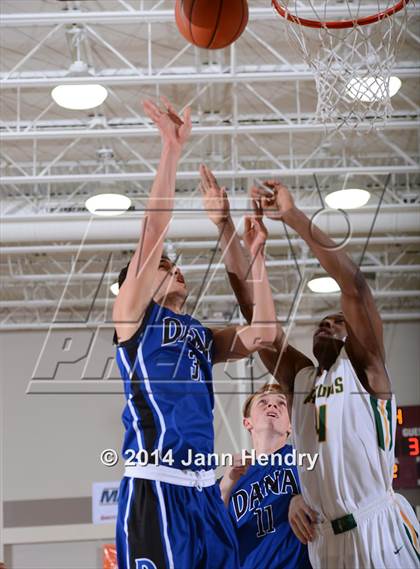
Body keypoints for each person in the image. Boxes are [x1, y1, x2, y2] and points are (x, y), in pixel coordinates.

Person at [200, 166, 420, 568]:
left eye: (339, 322)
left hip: (376, 525)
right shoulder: (300, 379)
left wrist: (295, 218)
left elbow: (354, 286)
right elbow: (256, 318)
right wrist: (227, 227)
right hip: (324, 542)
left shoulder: (367, 372)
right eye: (323, 321)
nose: (328, 323)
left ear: (356, 336)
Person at [112, 98, 277, 569]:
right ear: (134, 285)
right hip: (156, 484)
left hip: (205, 489)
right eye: (163, 266)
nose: (174, 267)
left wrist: (254, 252)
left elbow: (263, 333)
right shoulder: (133, 319)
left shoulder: (198, 335)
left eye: (173, 263)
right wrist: (170, 149)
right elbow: (153, 229)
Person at [219, 382, 313, 569]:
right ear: (247, 422)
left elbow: (339, 494)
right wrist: (226, 485)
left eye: (281, 403)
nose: (272, 405)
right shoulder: (230, 479)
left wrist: (308, 498)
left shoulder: (306, 457)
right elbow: (208, 535)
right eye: (263, 402)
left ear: (291, 426)